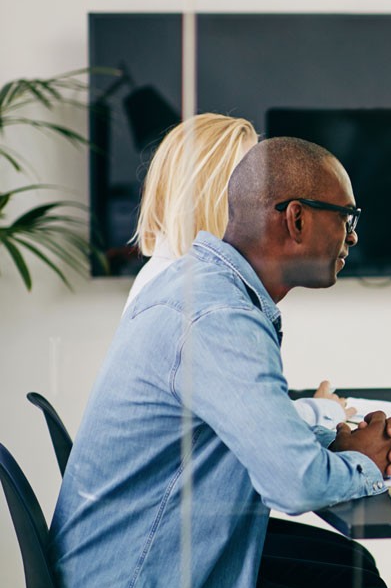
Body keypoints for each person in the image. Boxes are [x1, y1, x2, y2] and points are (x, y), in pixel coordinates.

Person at [51, 137, 391, 588]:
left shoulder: (204, 285)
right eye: (347, 218)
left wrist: (333, 445)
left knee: (353, 570)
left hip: (141, 559)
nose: (352, 237)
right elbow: (295, 485)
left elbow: (247, 433)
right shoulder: (217, 318)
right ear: (297, 219)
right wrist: (367, 463)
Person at [126, 113, 354, 429]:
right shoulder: (200, 299)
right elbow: (261, 434)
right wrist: (322, 413)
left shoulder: (165, 274)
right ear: (226, 192)